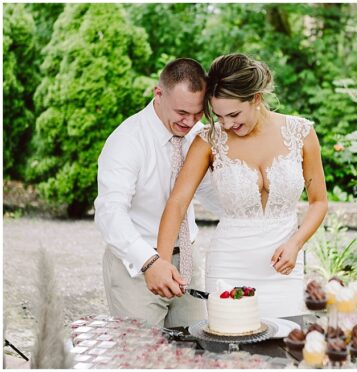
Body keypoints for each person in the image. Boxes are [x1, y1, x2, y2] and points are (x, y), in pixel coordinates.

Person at [155, 53, 328, 318]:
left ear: (256, 98)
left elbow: (319, 202)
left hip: (284, 270)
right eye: (219, 116)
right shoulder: (209, 140)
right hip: (228, 267)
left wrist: (295, 243)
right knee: (230, 337)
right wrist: (162, 262)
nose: (226, 124)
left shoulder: (301, 132)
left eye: (234, 114)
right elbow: (177, 203)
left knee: (285, 339)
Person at [95, 58, 220, 327]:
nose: (190, 122)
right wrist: (149, 262)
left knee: (195, 347)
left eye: (198, 113)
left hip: (189, 260)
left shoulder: (198, 134)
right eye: (182, 112)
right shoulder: (126, 141)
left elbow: (211, 195)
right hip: (137, 267)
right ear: (159, 94)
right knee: (143, 349)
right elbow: (109, 212)